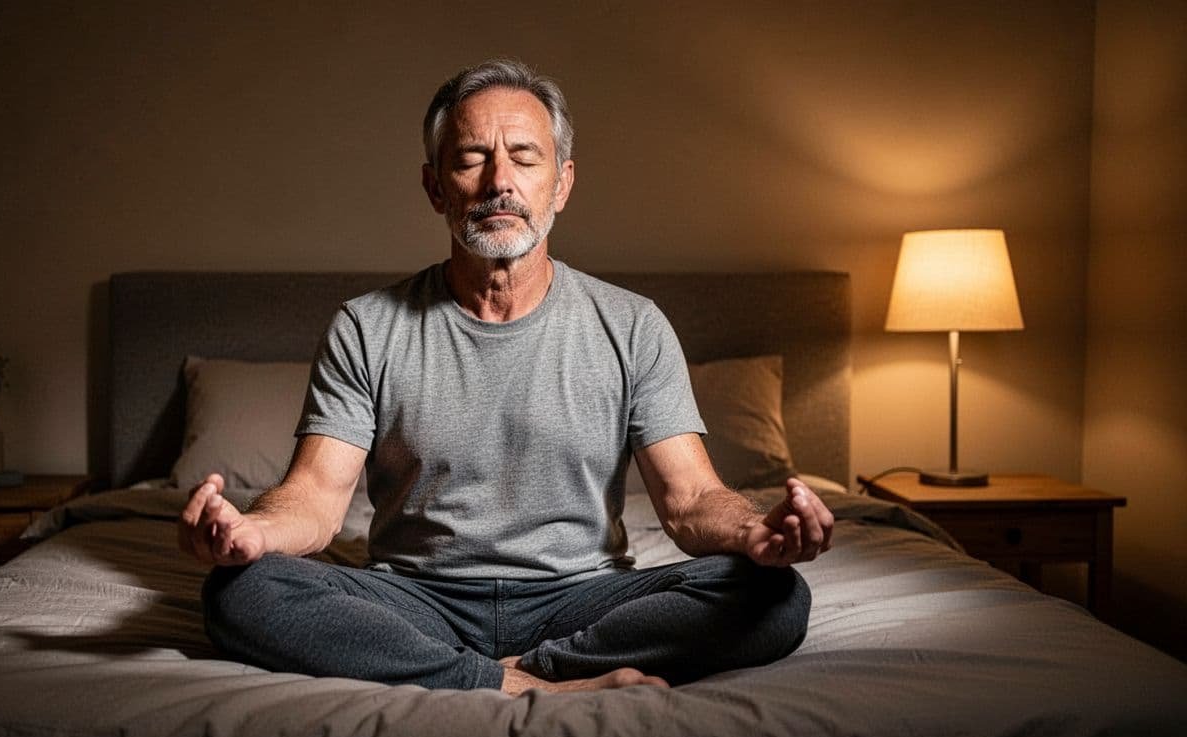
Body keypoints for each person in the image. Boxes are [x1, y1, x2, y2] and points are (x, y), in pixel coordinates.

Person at [178, 58, 834, 696]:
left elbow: (691, 502)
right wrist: (253, 533)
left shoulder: (634, 326)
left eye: (525, 157)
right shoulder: (366, 326)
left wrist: (754, 531)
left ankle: (539, 665)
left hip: (582, 598)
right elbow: (316, 501)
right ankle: (504, 681)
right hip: (417, 597)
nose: (501, 181)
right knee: (243, 591)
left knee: (774, 594)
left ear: (562, 183)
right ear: (436, 187)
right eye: (470, 159)